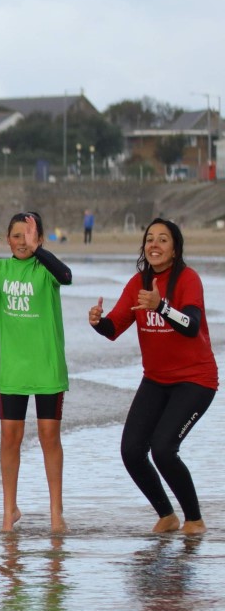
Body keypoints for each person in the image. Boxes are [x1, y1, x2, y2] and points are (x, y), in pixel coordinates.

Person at [89, 218, 216, 535]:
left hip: (196, 380)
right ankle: (167, 515)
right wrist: (97, 322)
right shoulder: (138, 284)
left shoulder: (188, 279)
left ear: (174, 250)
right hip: (157, 380)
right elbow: (114, 328)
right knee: (131, 451)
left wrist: (162, 306)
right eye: (149, 239)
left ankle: (194, 520)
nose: (154, 245)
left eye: (163, 240)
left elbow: (191, 325)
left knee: (163, 449)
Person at [0, 212, 72, 532]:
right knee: (11, 439)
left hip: (48, 368)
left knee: (50, 438)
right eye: (16, 235)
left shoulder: (46, 268)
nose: (22, 241)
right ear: (7, 239)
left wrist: (39, 251)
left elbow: (65, 276)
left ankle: (56, 512)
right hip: (13, 371)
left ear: (40, 238)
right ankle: (9, 512)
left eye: (29, 235)